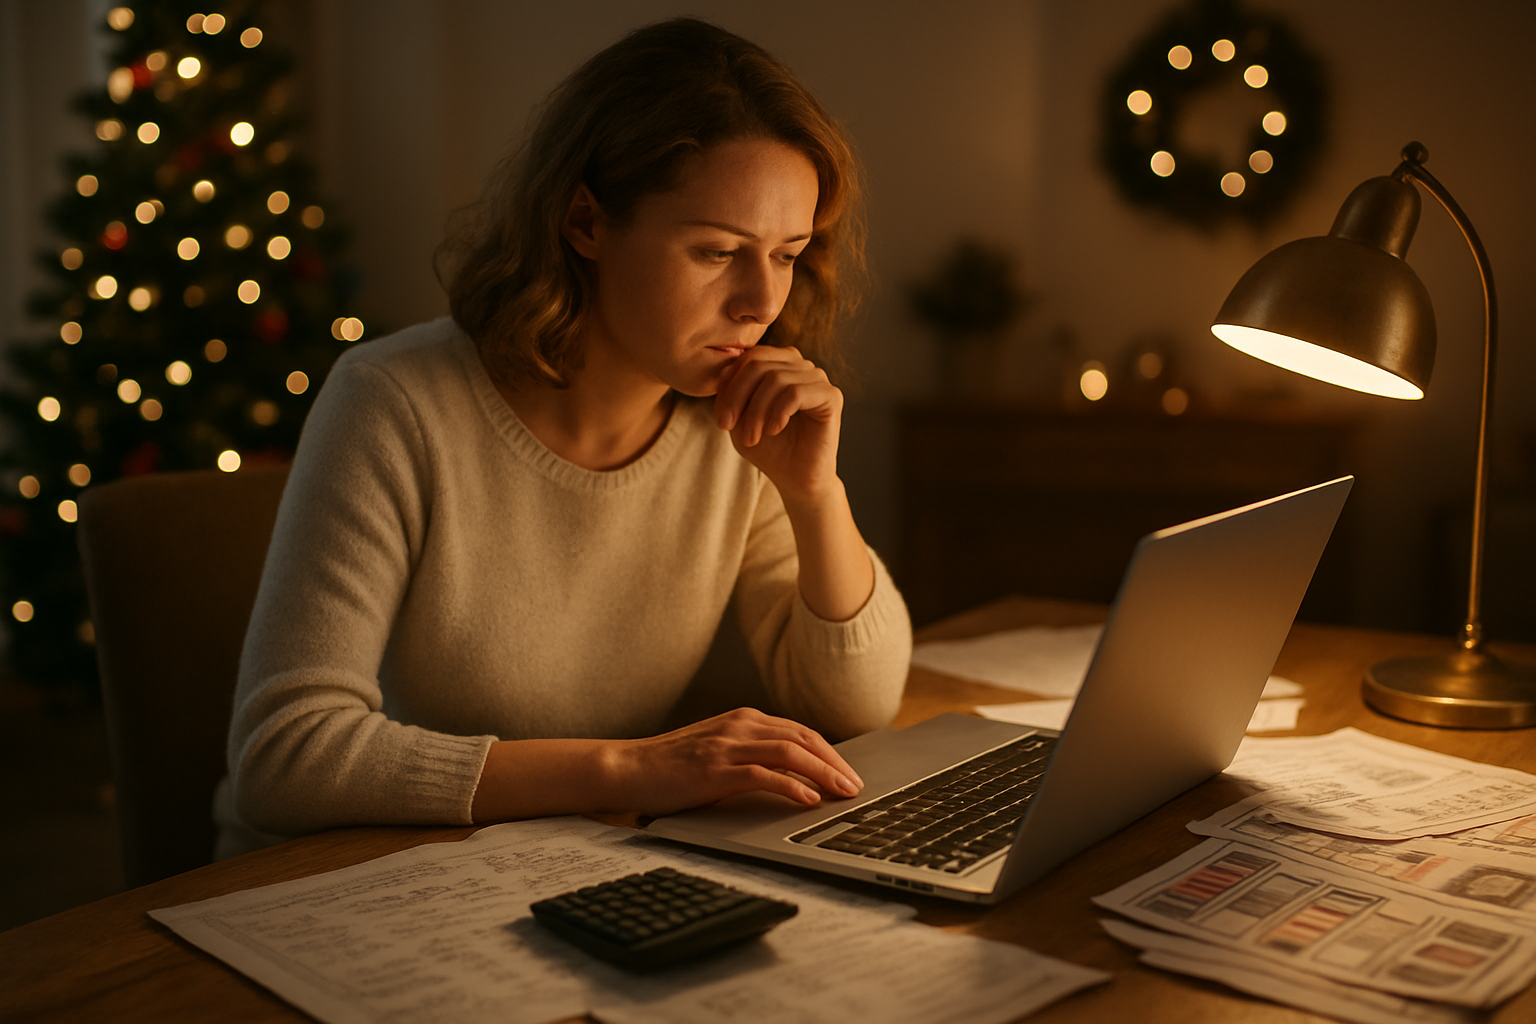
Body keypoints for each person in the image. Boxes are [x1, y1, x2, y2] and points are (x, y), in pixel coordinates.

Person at [214, 17, 912, 858]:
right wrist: (626, 770)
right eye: (717, 250)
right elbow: (283, 757)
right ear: (585, 222)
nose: (760, 300)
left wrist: (814, 496)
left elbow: (858, 703)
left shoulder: (733, 424)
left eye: (788, 252)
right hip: (343, 879)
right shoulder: (395, 400)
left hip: (559, 861)